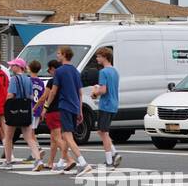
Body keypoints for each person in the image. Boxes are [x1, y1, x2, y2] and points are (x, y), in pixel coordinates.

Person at [46, 45, 91, 175]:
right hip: (75, 106)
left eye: (59, 53)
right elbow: (80, 93)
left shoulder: (59, 71)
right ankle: (61, 163)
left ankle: (83, 163)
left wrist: (47, 105)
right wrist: (80, 110)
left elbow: (53, 91)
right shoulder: (76, 71)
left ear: (65, 54)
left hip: (64, 105)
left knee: (67, 135)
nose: (57, 55)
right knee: (67, 136)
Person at [1, 58, 35, 169]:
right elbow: (30, 96)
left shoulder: (14, 79)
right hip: (26, 110)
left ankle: (8, 162)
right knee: (29, 137)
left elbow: (11, 95)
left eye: (13, 65)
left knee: (8, 137)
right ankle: (38, 159)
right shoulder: (28, 79)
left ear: (18, 66)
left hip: (14, 110)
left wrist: (5, 104)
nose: (11, 67)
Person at [92, 47, 123, 169]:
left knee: (103, 133)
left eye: (98, 56)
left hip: (105, 104)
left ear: (105, 57)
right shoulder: (115, 71)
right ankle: (114, 153)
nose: (97, 58)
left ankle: (109, 161)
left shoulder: (103, 72)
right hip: (114, 104)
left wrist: (95, 92)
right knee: (101, 131)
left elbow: (103, 90)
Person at [21, 59, 47, 164]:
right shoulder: (41, 82)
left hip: (31, 108)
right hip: (38, 109)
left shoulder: (28, 81)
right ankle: (35, 151)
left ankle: (37, 150)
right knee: (32, 131)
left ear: (29, 68)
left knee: (28, 133)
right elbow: (43, 96)